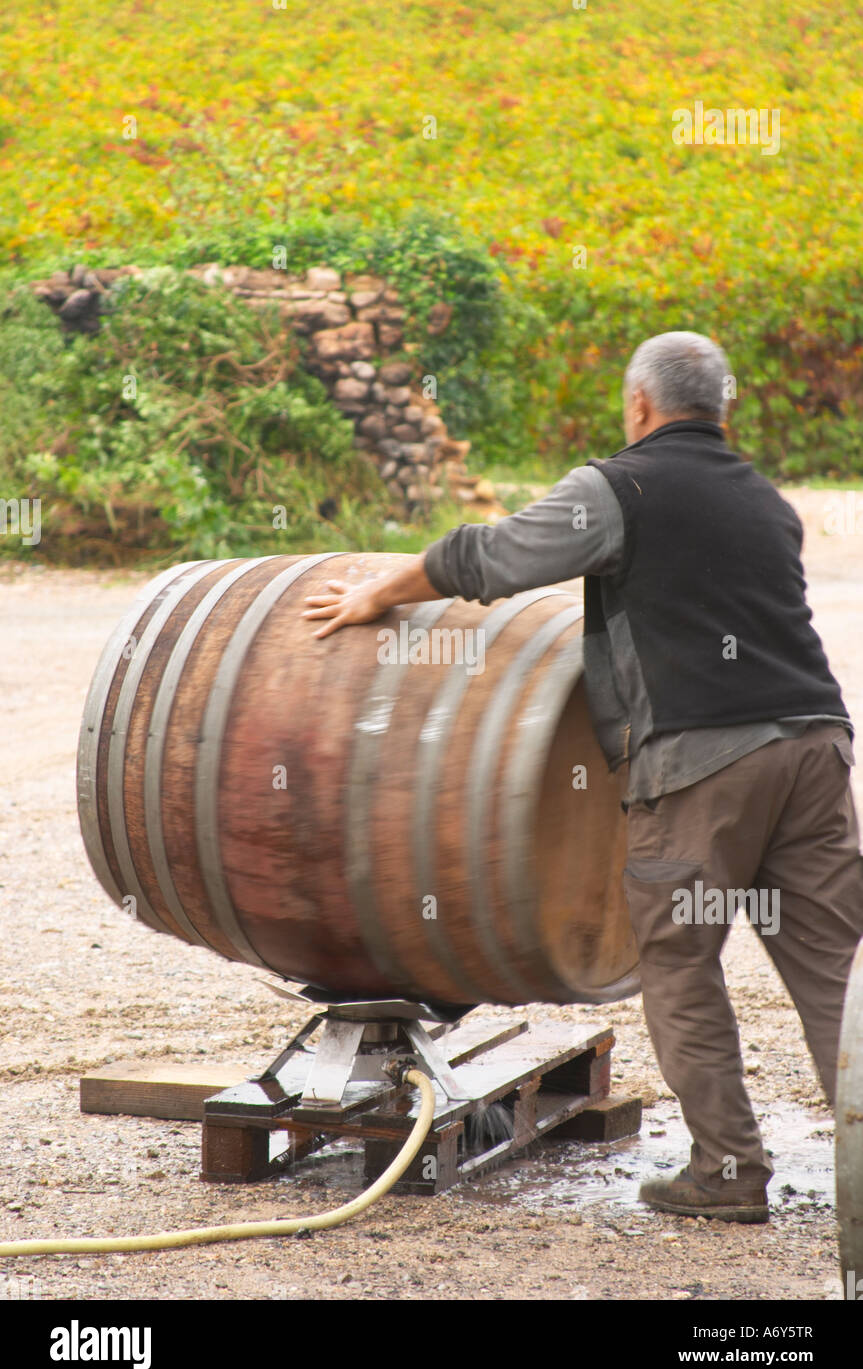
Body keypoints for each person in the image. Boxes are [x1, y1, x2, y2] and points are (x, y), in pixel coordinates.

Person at [302, 330, 863, 1224]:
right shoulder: (768, 502)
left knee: (680, 966)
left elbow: (494, 557)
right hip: (815, 746)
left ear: (639, 405)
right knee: (836, 971)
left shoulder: (620, 486)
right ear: (722, 409)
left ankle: (726, 1173)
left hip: (697, 758)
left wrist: (380, 590)